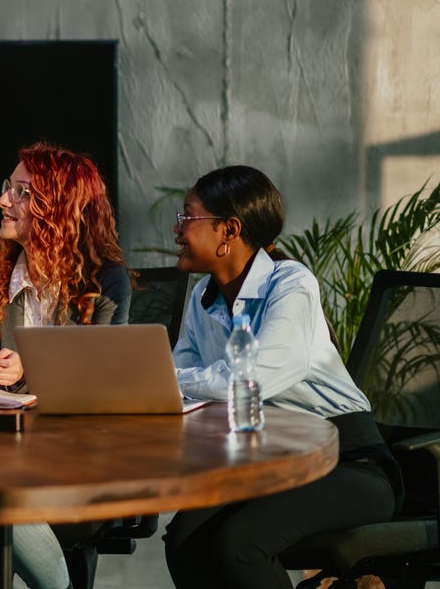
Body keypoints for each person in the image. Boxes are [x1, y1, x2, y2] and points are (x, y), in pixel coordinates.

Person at [164, 165, 402, 589]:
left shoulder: (290, 284)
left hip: (347, 463)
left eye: (187, 217)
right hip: (272, 465)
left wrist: (171, 380)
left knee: (241, 542)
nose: (177, 230)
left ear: (228, 231)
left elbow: (243, 382)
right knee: (184, 536)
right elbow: (176, 384)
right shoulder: (203, 302)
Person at [0, 142, 132, 589]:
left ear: (59, 207)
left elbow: (99, 384)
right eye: (6, 188)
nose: (1, 201)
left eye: (21, 192)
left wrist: (27, 374)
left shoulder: (107, 283)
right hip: (0, 449)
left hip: (70, 456)